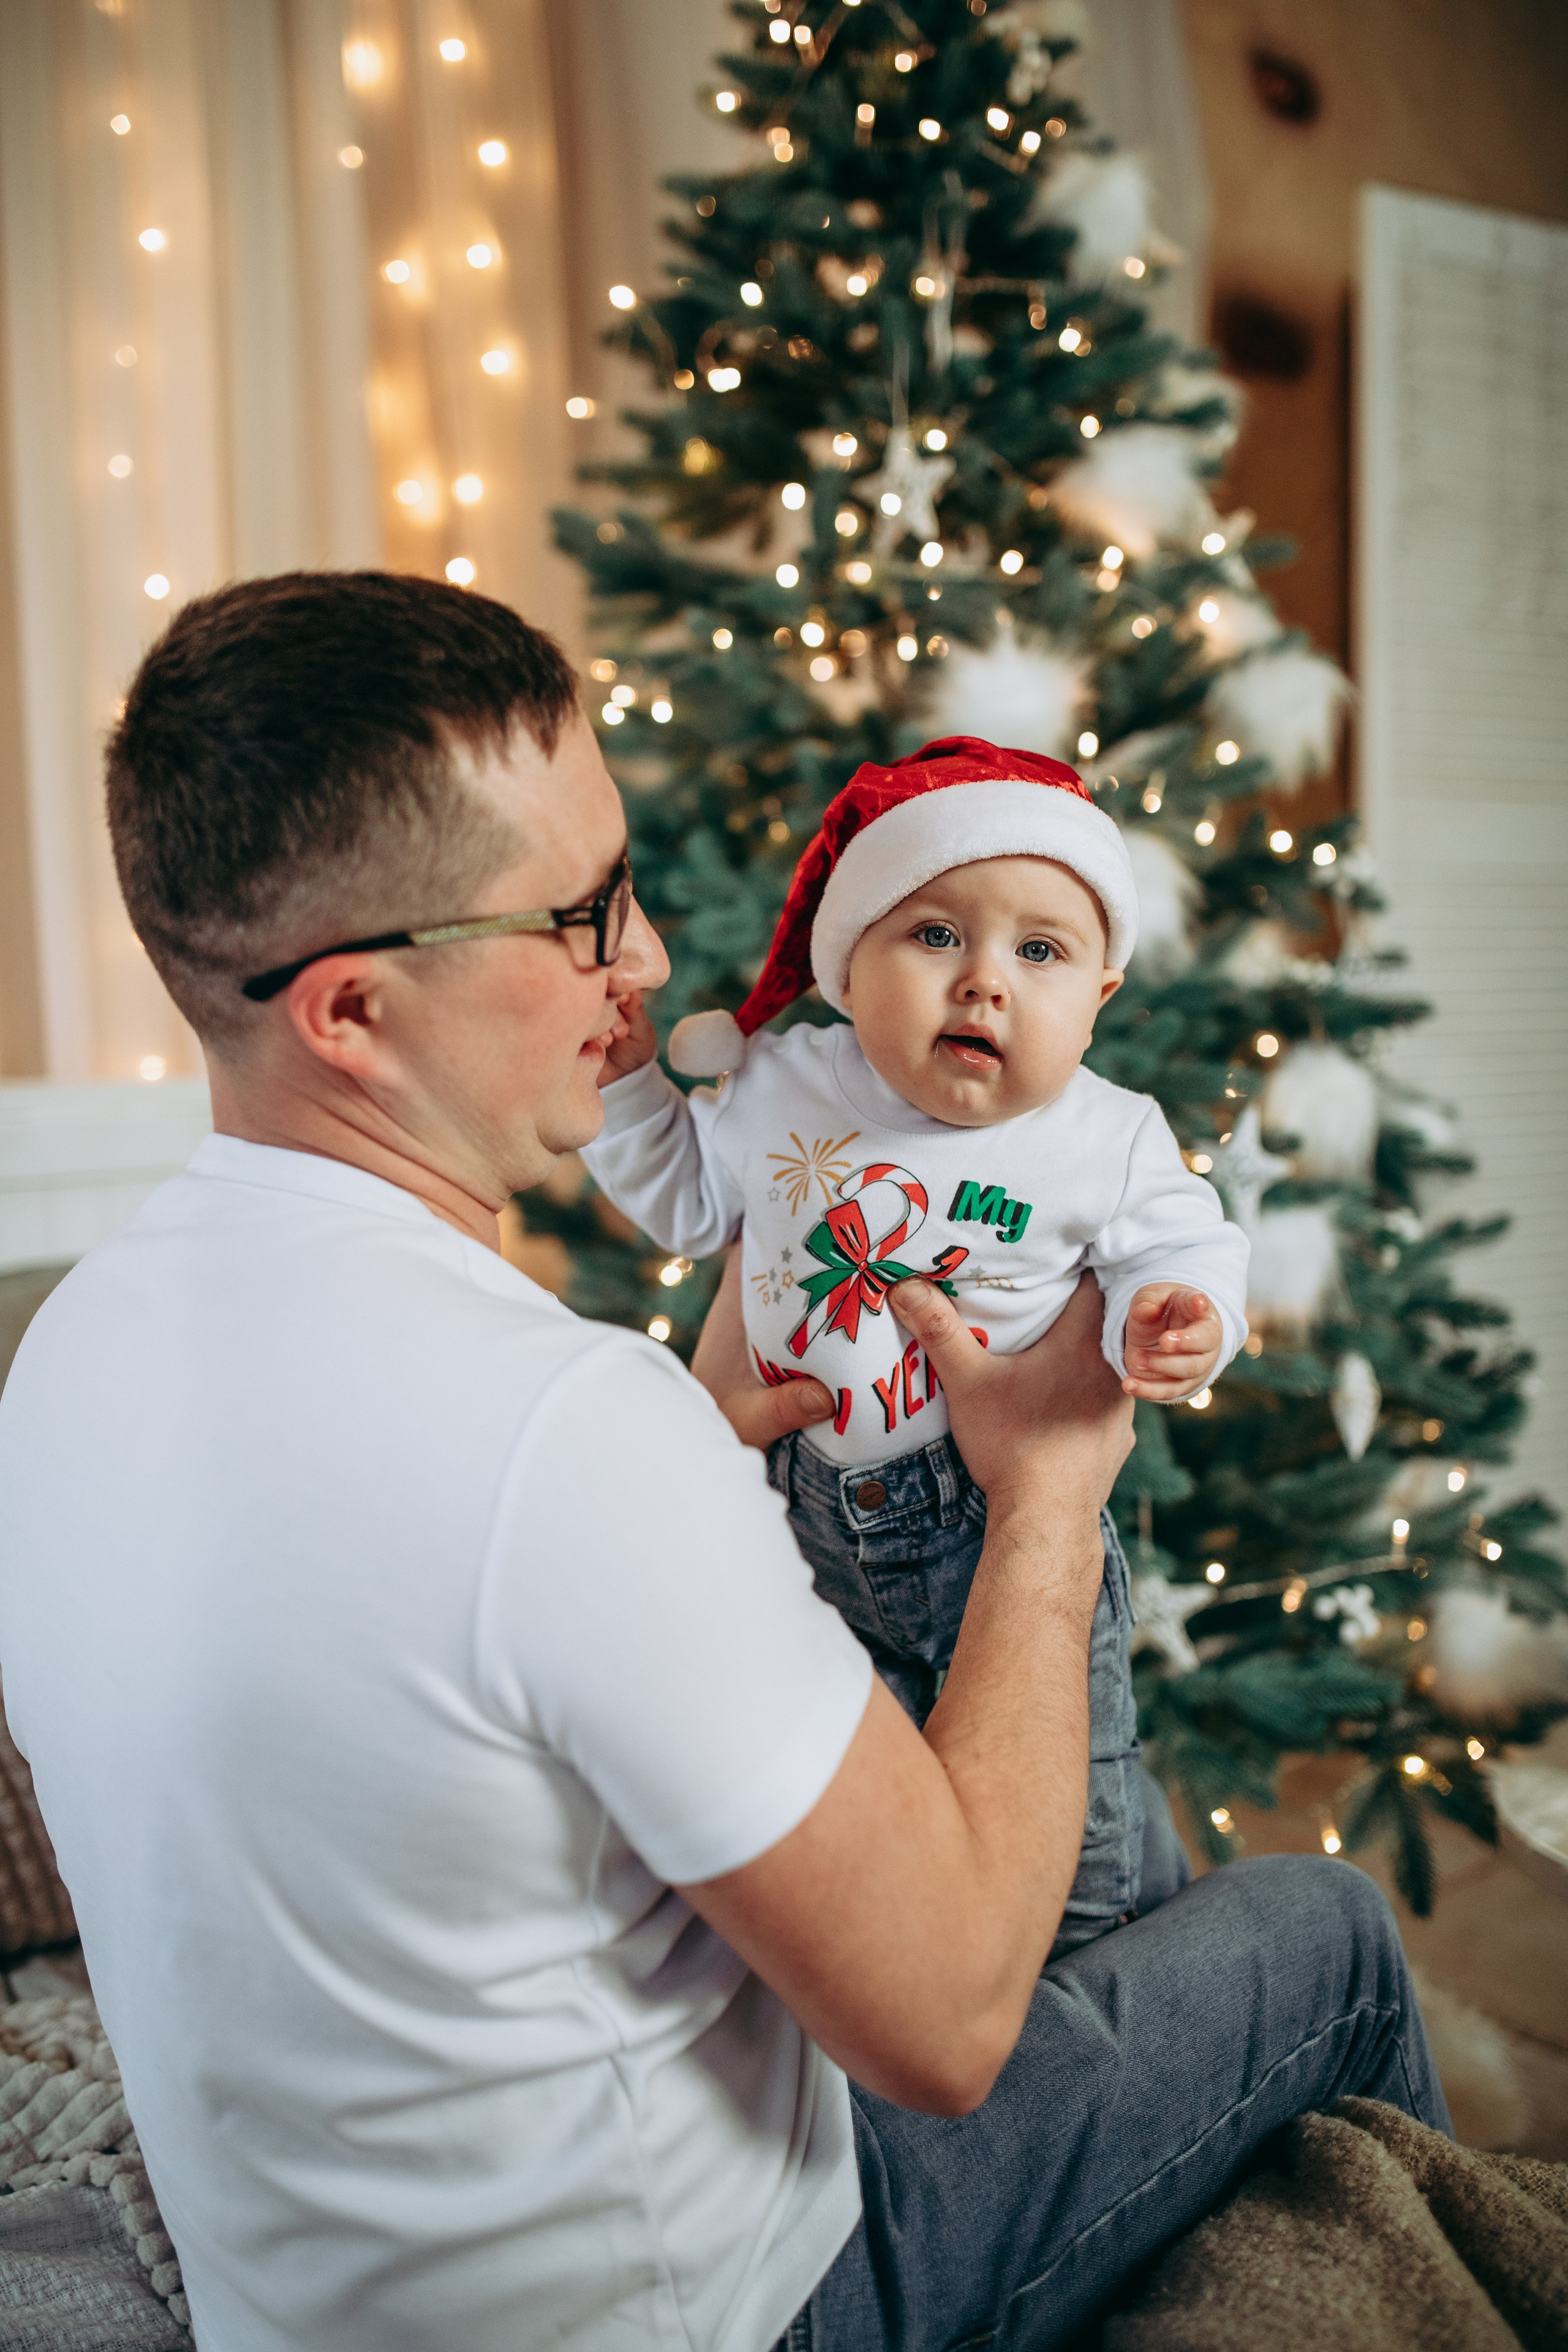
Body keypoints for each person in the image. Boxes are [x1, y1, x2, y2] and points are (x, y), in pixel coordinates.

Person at [0, 574, 1449, 2352]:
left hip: (302, 2300)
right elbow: (949, 2020)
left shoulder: (70, 1350)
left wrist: (670, 1470)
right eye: (580, 915)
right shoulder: (553, 1423)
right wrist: (1054, 1499)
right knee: (1330, 1928)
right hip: (727, 2311)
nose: (654, 967)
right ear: (354, 1015)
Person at [581, 736, 1250, 1956]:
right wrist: (630, 1088)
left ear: (1098, 991)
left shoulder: (1106, 1136)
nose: (983, 981)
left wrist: (1178, 1316)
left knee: (1073, 1818)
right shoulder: (787, 1084)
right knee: (860, 1788)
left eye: (1038, 951)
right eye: (935, 935)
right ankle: (912, 1970)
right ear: (846, 962)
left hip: (982, 1527)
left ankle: (1089, 1973)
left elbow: (1184, 1245)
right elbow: (686, 1203)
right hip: (800, 1518)